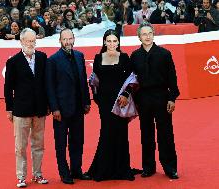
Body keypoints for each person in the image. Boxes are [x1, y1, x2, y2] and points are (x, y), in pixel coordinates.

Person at [85, 29, 137, 181]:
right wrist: (97, 98)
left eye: (114, 41)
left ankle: (121, 169)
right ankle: (103, 169)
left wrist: (126, 95)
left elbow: (132, 78)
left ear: (118, 42)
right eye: (109, 41)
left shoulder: (125, 57)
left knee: (121, 132)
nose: (112, 44)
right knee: (106, 133)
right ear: (104, 42)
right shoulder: (98, 58)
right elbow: (94, 81)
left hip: (120, 101)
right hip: (105, 102)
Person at [130, 22, 180, 179]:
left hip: (162, 98)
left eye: (150, 33)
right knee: (146, 134)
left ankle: (170, 167)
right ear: (139, 37)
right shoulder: (134, 56)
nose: (147, 36)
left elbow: (172, 79)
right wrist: (135, 100)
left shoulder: (165, 54)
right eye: (144, 34)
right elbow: (132, 81)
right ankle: (148, 167)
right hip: (143, 99)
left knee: (166, 134)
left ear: (153, 34)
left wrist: (172, 98)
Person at [4, 28, 49, 188]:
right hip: (21, 110)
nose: (31, 44)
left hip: (40, 110)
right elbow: (8, 88)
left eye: (33, 41)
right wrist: (9, 109)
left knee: (39, 145)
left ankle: (37, 174)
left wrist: (49, 105)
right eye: (28, 41)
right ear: (21, 42)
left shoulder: (43, 58)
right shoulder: (13, 61)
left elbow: (47, 84)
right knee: (20, 146)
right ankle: (21, 177)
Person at [46, 28, 91, 184]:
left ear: (74, 39)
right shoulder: (53, 60)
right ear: (60, 41)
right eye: (64, 39)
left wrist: (87, 101)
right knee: (61, 143)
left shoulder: (80, 56)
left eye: (70, 38)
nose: (68, 42)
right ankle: (64, 173)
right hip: (61, 110)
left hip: (78, 107)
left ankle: (77, 170)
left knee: (78, 140)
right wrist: (54, 108)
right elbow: (50, 87)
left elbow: (83, 81)